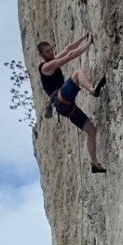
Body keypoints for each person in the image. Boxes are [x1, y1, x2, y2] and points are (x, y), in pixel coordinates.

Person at [37, 33, 107, 173]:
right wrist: (88, 44)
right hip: (59, 99)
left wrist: (82, 38)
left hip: (66, 107)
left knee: (91, 131)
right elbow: (69, 56)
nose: (51, 52)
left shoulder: (52, 60)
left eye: (51, 49)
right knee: (78, 73)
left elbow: (68, 49)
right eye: (47, 52)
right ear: (41, 55)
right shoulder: (45, 67)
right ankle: (92, 90)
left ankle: (94, 164)